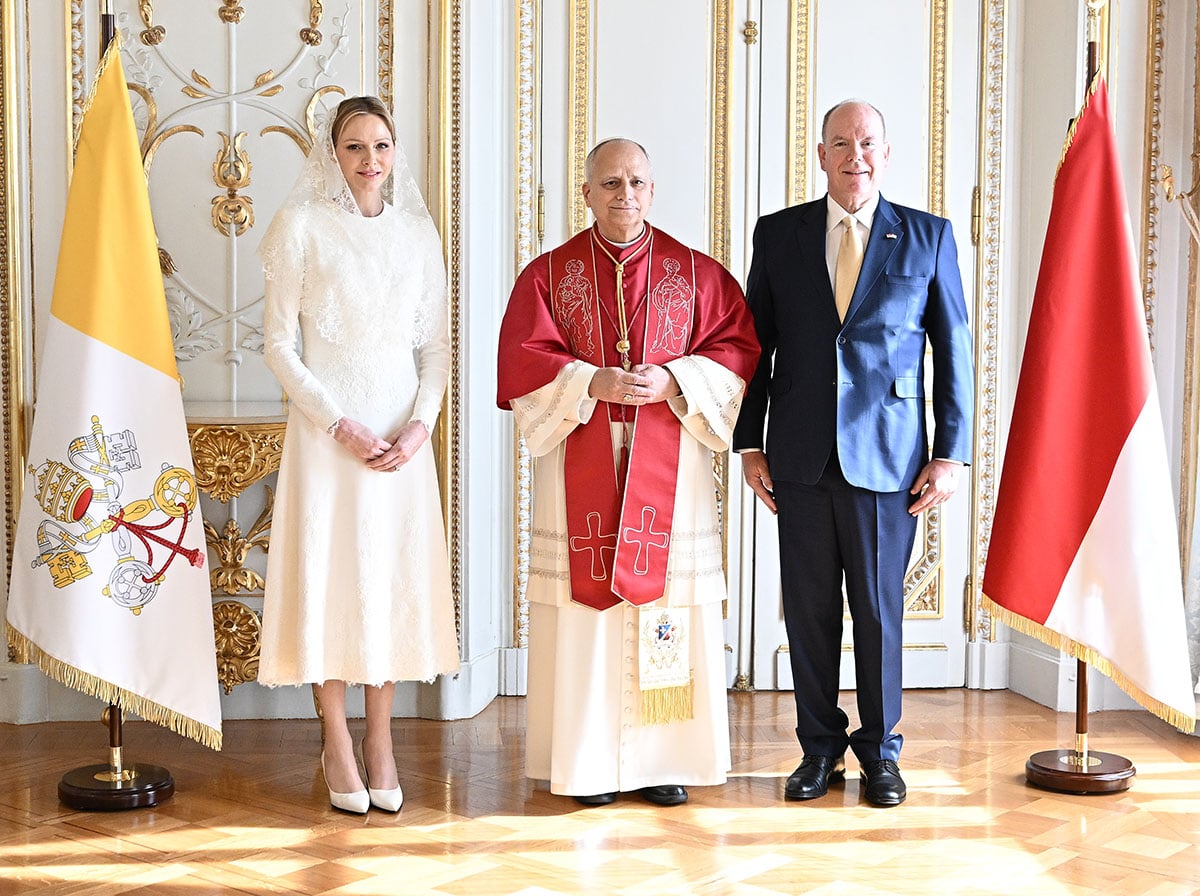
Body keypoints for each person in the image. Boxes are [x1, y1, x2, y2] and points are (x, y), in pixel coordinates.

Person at [497, 138, 760, 807]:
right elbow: (524, 358)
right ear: (586, 193)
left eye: (637, 182)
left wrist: (673, 376)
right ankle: (586, 760)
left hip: (670, 470)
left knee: (665, 607)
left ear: (653, 189)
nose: (626, 195)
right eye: (611, 183)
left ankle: (662, 758)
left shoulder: (696, 275)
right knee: (587, 609)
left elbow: (737, 348)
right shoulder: (549, 275)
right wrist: (593, 382)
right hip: (579, 451)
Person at [733, 100, 973, 807]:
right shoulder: (779, 236)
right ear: (821, 155)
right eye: (842, 143)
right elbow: (754, 349)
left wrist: (951, 452)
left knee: (877, 613)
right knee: (809, 613)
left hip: (890, 459)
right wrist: (750, 441)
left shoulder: (927, 237)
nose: (855, 155)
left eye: (867, 142)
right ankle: (819, 751)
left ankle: (881, 753)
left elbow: (954, 352)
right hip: (798, 460)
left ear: (886, 153)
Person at [257, 96, 459, 814]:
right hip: (329, 437)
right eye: (353, 146)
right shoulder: (301, 227)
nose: (369, 160)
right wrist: (337, 423)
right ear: (331, 155)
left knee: (388, 578)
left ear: (395, 153)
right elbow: (278, 346)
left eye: (380, 145)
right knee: (332, 575)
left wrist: (420, 426)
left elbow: (435, 348)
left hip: (401, 442)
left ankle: (382, 740)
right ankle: (336, 739)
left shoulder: (417, 234)